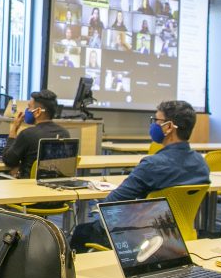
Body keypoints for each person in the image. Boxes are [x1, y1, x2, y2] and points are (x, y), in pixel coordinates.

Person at [70, 100, 210, 249]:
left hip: (143, 238)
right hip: (181, 236)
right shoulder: (202, 164)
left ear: (168, 127)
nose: (153, 125)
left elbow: (110, 203)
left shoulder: (152, 164)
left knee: (81, 232)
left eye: (156, 120)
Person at [1, 89, 69, 178]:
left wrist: (14, 129)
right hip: (55, 184)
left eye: (29, 107)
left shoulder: (27, 134)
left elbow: (8, 160)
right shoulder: (64, 133)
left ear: (38, 112)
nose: (27, 111)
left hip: (29, 184)